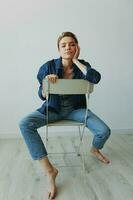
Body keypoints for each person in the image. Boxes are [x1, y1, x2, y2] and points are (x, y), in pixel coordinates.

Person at [19, 32, 111, 199]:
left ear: (77, 47)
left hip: (76, 110)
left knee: (104, 131)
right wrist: (47, 84)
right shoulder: (48, 66)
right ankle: (50, 171)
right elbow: (41, 93)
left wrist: (76, 61)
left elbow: (95, 78)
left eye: (72, 44)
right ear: (59, 49)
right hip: (53, 110)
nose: (68, 47)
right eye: (64, 45)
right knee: (25, 123)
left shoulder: (83, 65)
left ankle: (95, 149)